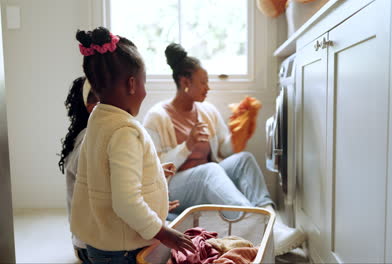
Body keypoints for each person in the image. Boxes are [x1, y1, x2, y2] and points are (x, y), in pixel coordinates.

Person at [143, 43, 306, 256]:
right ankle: (259, 227)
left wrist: (242, 130)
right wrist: (187, 146)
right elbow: (155, 168)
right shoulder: (157, 116)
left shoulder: (207, 111)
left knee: (244, 159)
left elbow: (226, 151)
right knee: (208, 170)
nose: (207, 87)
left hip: (208, 178)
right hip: (174, 187)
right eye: (203, 82)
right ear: (185, 82)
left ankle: (272, 222)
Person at [70, 27, 195, 264]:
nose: (145, 91)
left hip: (103, 242)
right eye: (144, 82)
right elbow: (126, 202)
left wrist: (155, 171)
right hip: (124, 250)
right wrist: (164, 233)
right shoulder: (125, 131)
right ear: (131, 84)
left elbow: (105, 175)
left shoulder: (98, 119)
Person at [59, 76, 97, 263]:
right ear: (92, 107)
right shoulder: (89, 142)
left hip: (86, 242)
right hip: (90, 247)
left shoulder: (89, 136)